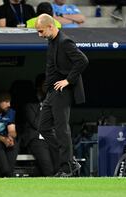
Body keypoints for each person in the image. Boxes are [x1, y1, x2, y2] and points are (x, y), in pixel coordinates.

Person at [35, 14, 89, 177]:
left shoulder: (65, 42)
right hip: (52, 92)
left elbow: (83, 60)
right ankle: (70, 160)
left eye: (41, 31)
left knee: (61, 128)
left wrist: (67, 81)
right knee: (43, 127)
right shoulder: (51, 41)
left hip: (62, 91)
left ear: (51, 26)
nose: (40, 35)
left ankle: (67, 166)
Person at [23, 73, 55, 176]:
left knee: (59, 166)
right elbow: (37, 124)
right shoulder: (30, 105)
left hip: (51, 139)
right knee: (49, 170)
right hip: (37, 140)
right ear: (38, 86)